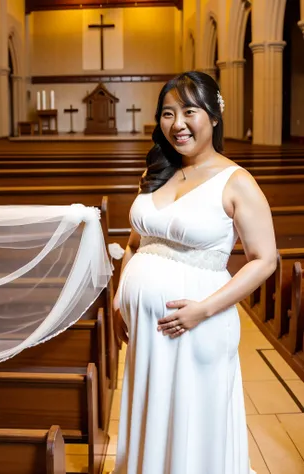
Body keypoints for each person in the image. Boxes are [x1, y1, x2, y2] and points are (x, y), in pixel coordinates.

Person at [112, 71, 277, 474]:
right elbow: (136, 244)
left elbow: (265, 259)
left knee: (194, 422)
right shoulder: (156, 173)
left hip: (197, 325)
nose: (178, 124)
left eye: (189, 111)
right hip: (147, 331)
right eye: (168, 113)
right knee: (153, 415)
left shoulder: (237, 181)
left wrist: (201, 310)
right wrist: (120, 300)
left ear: (214, 117)